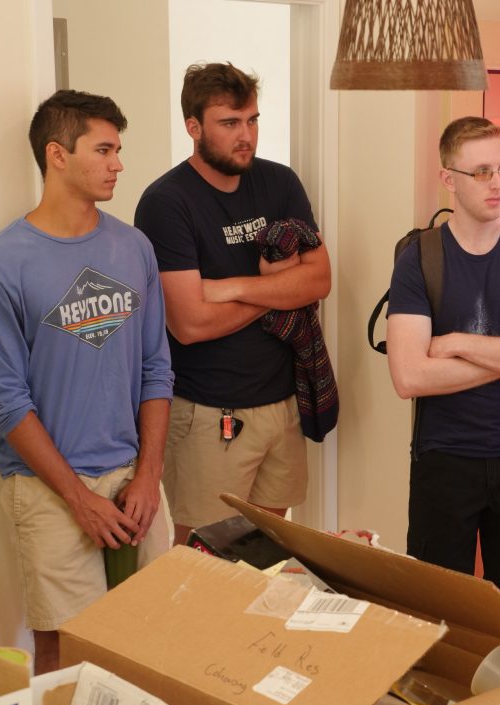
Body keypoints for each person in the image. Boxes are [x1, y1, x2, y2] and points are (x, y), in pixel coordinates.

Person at [0, 90, 174, 673]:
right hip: (49, 491)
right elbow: (5, 399)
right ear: (57, 155)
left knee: (158, 637)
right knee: (66, 649)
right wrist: (80, 500)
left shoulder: (132, 246)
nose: (118, 163)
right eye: (104, 149)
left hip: (132, 477)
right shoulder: (6, 261)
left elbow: (155, 367)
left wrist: (148, 475)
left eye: (118, 149)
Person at [135, 63, 331, 546]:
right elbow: (190, 323)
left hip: (282, 403)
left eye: (253, 120)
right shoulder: (166, 202)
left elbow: (320, 279)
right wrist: (277, 291)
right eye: (230, 123)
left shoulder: (280, 182)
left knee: (264, 549)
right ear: (194, 127)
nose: (246, 136)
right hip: (208, 412)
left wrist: (227, 287)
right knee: (203, 559)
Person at [386, 116, 500, 619]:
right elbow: (410, 377)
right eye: (481, 172)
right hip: (443, 459)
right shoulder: (418, 259)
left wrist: (457, 344)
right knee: (434, 614)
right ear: (449, 178)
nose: (497, 183)